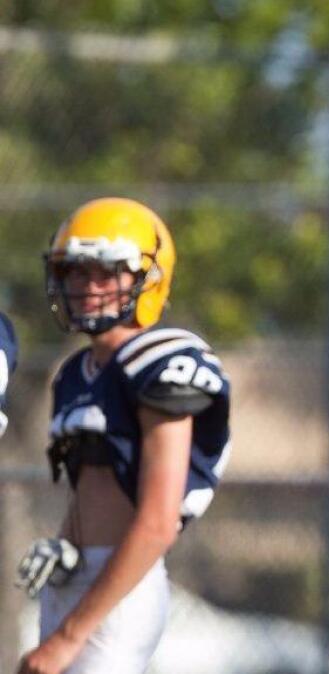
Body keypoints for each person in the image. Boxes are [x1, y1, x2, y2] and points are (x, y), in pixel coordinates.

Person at [16, 197, 232, 674]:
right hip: (72, 575)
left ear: (146, 278)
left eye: (104, 271)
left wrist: (69, 637)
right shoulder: (77, 371)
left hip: (119, 589)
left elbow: (157, 523)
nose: (87, 286)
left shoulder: (163, 358)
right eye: (75, 271)